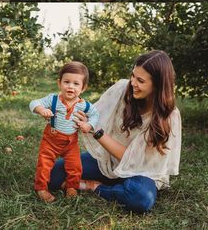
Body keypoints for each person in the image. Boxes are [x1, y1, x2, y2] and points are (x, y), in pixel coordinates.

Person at [48, 51, 182, 214]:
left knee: (140, 197)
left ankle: (95, 186)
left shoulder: (168, 117)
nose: (133, 83)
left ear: (158, 85)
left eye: (140, 80)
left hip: (139, 173)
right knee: (52, 174)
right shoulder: (122, 89)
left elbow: (132, 159)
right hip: (108, 161)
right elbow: (93, 114)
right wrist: (63, 112)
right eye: (133, 75)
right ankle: (115, 186)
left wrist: (97, 132)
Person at [30, 61, 100, 203]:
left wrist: (89, 124)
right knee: (44, 163)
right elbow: (33, 103)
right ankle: (41, 188)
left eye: (76, 84)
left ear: (83, 88)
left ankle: (72, 187)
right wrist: (41, 109)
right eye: (66, 82)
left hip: (71, 142)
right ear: (59, 83)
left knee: (75, 165)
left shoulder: (84, 105)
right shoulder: (53, 99)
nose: (70, 86)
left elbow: (95, 115)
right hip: (51, 139)